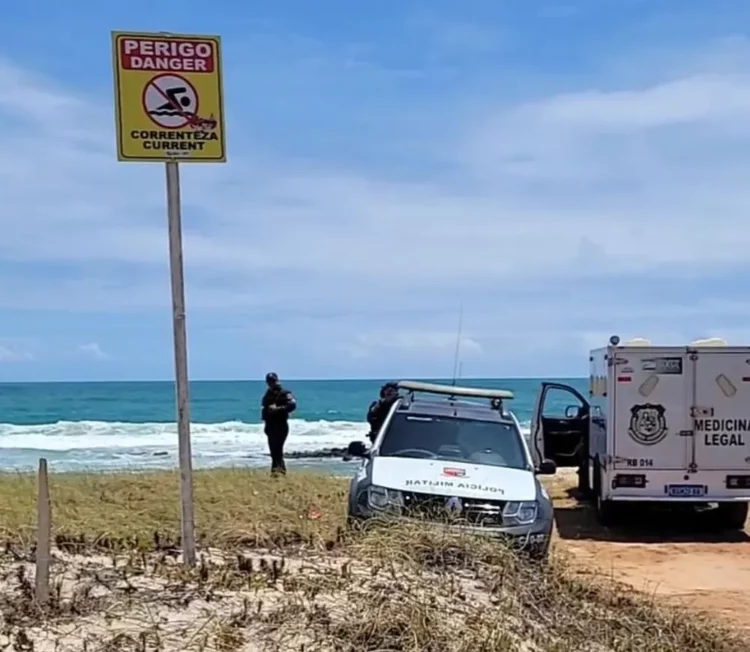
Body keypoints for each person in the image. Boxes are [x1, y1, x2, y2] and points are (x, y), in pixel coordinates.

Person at [261, 372, 297, 475]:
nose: (271, 384)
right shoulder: (268, 394)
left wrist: (278, 409)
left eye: (272, 381)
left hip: (280, 425)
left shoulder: (284, 393)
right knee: (273, 451)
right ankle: (275, 472)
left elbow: (292, 405)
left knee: (278, 450)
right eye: (269, 382)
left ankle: (280, 472)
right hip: (270, 425)